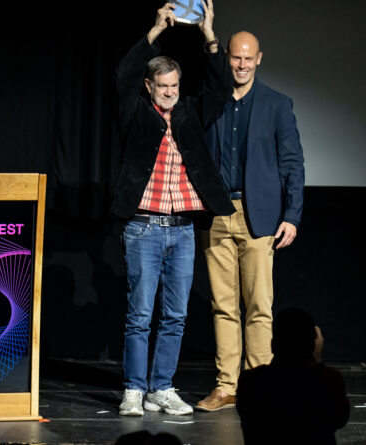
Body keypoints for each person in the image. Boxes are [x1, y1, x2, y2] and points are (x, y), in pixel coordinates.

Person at [113, 0, 235, 416]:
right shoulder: (135, 112)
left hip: (182, 229)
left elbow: (220, 88)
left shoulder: (189, 113)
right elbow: (123, 76)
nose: (169, 92)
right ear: (150, 86)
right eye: (162, 86)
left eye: (174, 86)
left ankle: (161, 388)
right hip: (144, 227)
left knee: (175, 316)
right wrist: (155, 31)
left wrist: (210, 37)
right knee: (140, 315)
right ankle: (134, 389)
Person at [196, 30, 305, 411]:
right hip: (217, 213)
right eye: (235, 57)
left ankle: (260, 384)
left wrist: (292, 215)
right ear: (227, 57)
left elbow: (292, 163)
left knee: (259, 305)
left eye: (248, 58)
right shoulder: (212, 100)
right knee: (223, 306)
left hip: (259, 216)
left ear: (259, 59)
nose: (241, 65)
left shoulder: (277, 104)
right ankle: (227, 386)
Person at [235, 307, 349, 444]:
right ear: (313, 344)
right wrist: (317, 360)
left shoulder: (250, 382)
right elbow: (340, 419)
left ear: (272, 344)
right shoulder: (329, 380)